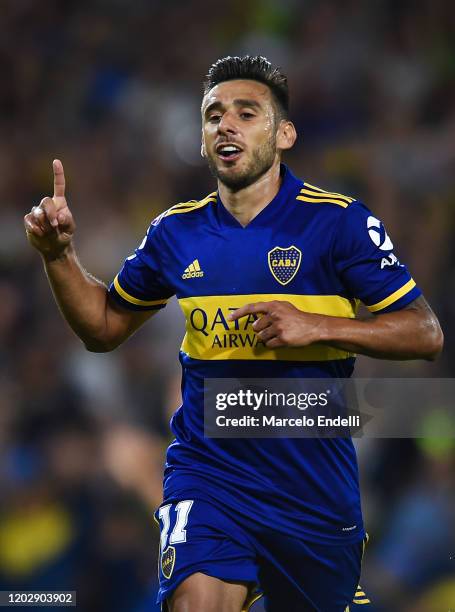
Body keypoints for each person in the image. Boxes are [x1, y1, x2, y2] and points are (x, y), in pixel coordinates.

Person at [24, 55, 443, 612]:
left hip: (313, 490)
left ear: (284, 133)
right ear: (202, 140)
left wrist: (315, 324)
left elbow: (425, 332)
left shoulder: (339, 222)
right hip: (209, 473)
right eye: (214, 114)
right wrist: (59, 257)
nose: (226, 124)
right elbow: (102, 328)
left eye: (247, 113)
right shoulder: (175, 232)